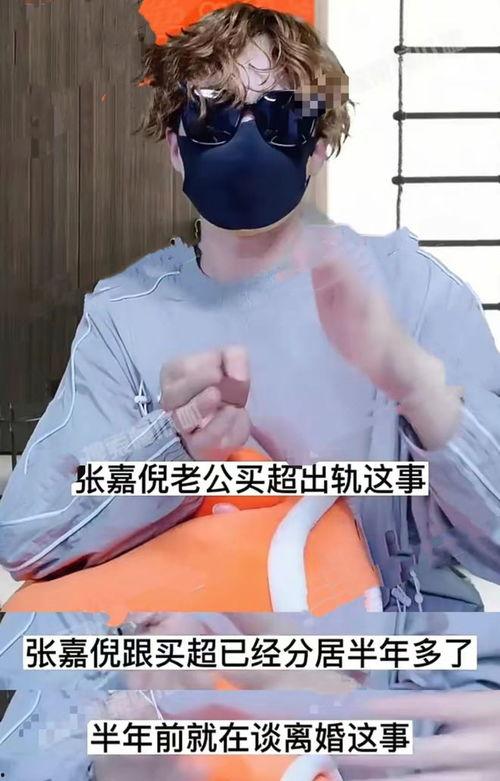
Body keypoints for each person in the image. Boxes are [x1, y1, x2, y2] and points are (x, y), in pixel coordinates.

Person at [1, 2, 500, 614]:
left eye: (280, 117)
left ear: (319, 146)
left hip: (384, 652)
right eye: (212, 114)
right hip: (194, 647)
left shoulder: (411, 289)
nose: (245, 139)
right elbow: (27, 536)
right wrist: (176, 448)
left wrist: (415, 384)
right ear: (175, 145)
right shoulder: (125, 318)